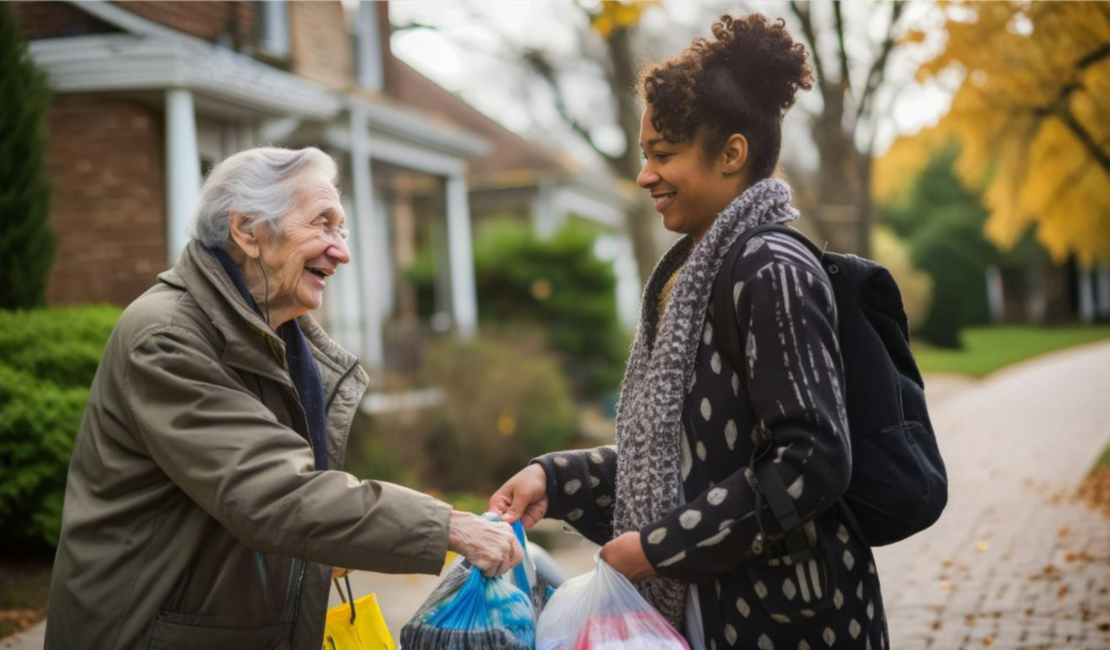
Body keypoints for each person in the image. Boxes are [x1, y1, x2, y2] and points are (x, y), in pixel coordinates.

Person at [491, 14, 887, 649]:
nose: (646, 175)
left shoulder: (770, 271)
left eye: (664, 155)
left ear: (732, 153)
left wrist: (657, 549)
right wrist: (554, 479)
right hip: (708, 617)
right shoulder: (687, 278)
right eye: (646, 155)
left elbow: (812, 458)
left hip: (790, 624)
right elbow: (683, 465)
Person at [45, 147, 522, 649]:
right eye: (322, 224)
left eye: (341, 230)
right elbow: (271, 491)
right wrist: (448, 526)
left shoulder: (275, 335)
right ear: (247, 231)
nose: (342, 252)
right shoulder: (166, 338)